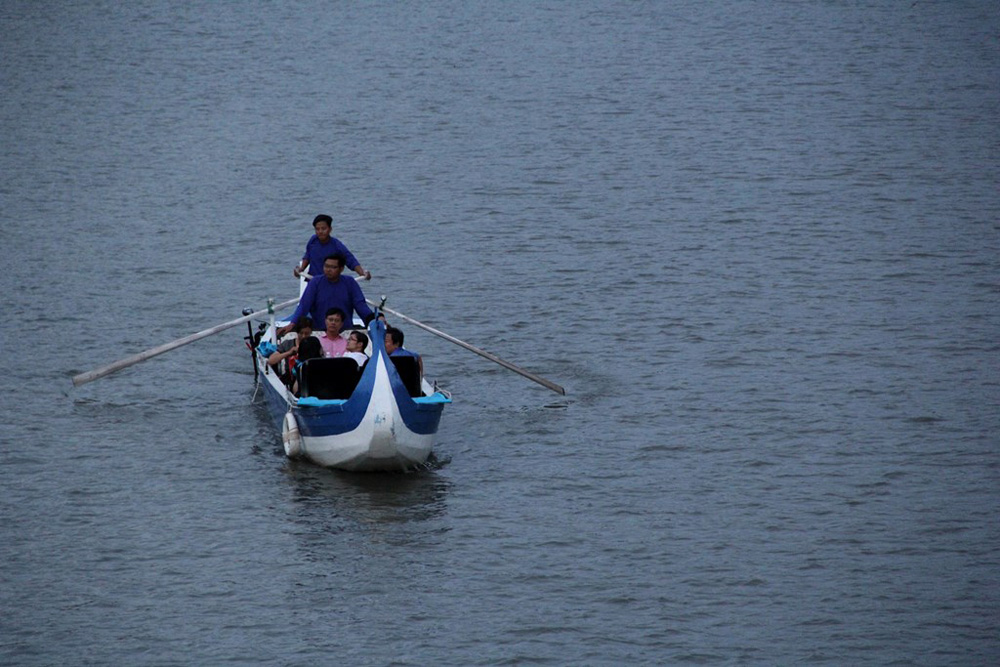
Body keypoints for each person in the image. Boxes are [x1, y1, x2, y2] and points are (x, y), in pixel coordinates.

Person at [278, 253, 375, 338]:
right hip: (319, 331)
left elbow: (361, 306)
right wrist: (293, 324)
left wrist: (374, 322)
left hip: (345, 331)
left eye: (333, 267)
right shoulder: (315, 282)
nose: (328, 270)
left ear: (341, 269)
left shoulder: (350, 283)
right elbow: (304, 305)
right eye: (326, 266)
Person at [293, 214, 371, 280]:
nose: (320, 232)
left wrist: (362, 273)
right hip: (313, 281)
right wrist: (301, 269)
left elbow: (350, 259)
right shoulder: (313, 240)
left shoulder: (337, 246)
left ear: (330, 229)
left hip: (330, 283)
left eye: (323, 229)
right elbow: (307, 256)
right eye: (317, 229)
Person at [267, 317, 314, 383]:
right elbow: (271, 360)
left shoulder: (314, 344)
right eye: (301, 333)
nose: (303, 336)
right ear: (297, 332)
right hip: (290, 378)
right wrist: (289, 353)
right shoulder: (287, 344)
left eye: (306, 334)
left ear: (311, 332)